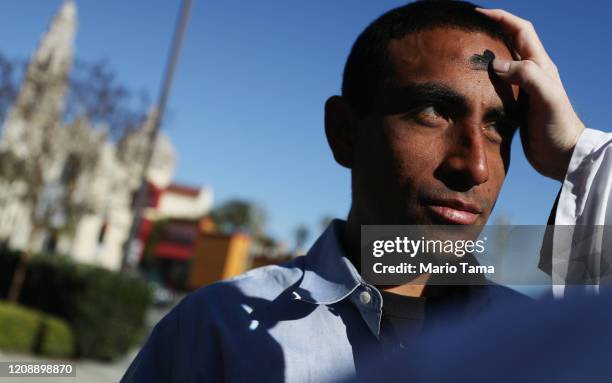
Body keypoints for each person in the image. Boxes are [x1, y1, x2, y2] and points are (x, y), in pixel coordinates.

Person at [121, 1, 610, 382]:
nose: (475, 165)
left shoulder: (537, 339)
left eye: (499, 127)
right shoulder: (214, 332)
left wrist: (577, 155)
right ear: (344, 132)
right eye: (433, 112)